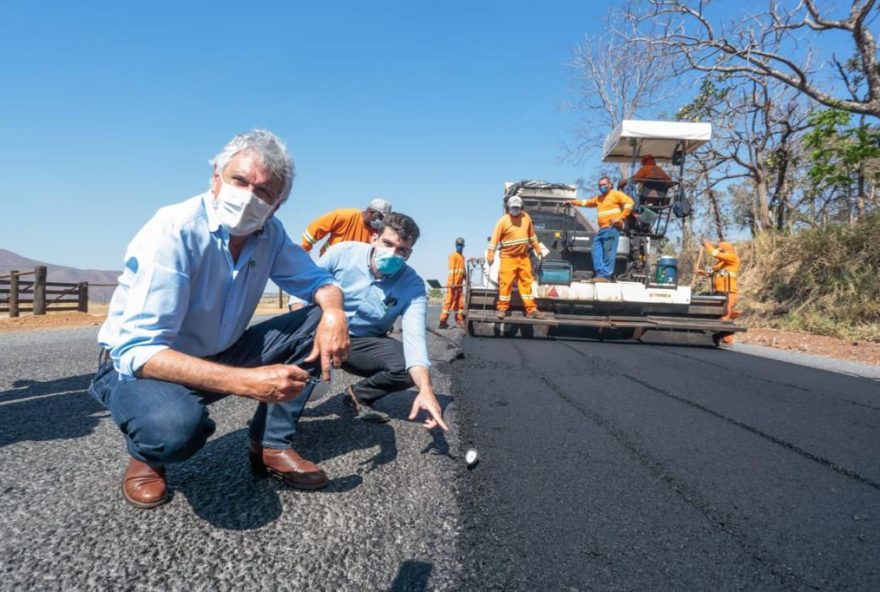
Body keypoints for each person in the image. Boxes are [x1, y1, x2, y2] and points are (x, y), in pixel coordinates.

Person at [88, 130, 350, 509]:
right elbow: (139, 351)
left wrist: (335, 311)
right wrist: (245, 382)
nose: (247, 197)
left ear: (276, 205)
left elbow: (318, 281)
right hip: (141, 367)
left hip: (219, 352)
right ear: (216, 177)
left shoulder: (270, 234)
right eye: (239, 181)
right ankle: (148, 455)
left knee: (316, 319)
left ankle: (270, 445)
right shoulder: (174, 230)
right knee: (174, 429)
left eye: (263, 192)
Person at [287, 213, 448, 430]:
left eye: (401, 250)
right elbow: (301, 292)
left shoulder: (413, 286)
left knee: (406, 367)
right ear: (374, 238)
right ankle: (277, 422)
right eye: (387, 244)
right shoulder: (342, 253)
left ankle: (358, 395)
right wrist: (307, 336)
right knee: (301, 382)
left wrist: (426, 390)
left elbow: (415, 342)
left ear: (409, 253)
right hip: (321, 330)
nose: (392, 254)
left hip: (361, 342)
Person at [487, 196, 546, 320]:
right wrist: (490, 255)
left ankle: (532, 310)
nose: (515, 210)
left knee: (526, 283)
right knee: (505, 283)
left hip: (523, 257)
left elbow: (532, 235)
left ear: (521, 207)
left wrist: (537, 248)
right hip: (508, 258)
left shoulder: (526, 218)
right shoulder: (502, 221)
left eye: (517, 208)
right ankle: (502, 309)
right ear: (509, 207)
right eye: (513, 208)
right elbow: (494, 240)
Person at [568, 177, 635, 282]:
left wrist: (621, 216)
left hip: (612, 229)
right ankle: (601, 274)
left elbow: (630, 202)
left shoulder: (615, 194)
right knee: (595, 249)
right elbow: (587, 202)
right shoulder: (599, 198)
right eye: (600, 185)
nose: (602, 187)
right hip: (602, 230)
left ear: (610, 184)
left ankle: (605, 275)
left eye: (604, 184)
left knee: (609, 252)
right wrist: (573, 202)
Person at [301, 198, 393, 255]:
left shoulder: (377, 233)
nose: (381, 222)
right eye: (379, 217)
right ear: (370, 212)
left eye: (383, 220)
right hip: (328, 264)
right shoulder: (345, 216)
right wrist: (304, 250)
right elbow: (315, 228)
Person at [701, 239, 741, 344]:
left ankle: (725, 338)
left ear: (726, 250)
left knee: (725, 314)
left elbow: (715, 254)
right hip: (719, 293)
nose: (720, 253)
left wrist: (708, 246)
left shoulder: (732, 258)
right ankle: (722, 337)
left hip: (729, 292)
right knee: (718, 314)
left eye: (722, 251)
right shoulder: (722, 263)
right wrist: (702, 272)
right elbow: (715, 271)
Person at [438, 237, 466, 329]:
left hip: (459, 285)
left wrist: (466, 278)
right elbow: (451, 271)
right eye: (458, 245)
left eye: (461, 245)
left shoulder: (462, 257)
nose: (459, 247)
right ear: (455, 246)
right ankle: (442, 322)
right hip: (453, 285)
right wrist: (452, 283)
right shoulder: (452, 256)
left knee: (460, 304)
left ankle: (459, 321)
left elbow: (463, 270)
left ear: (463, 246)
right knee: (449, 303)